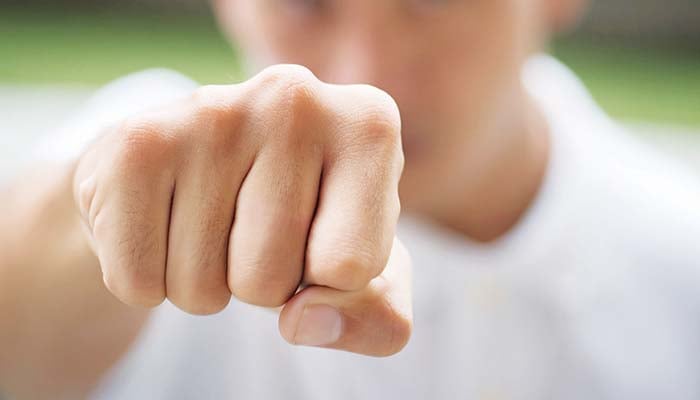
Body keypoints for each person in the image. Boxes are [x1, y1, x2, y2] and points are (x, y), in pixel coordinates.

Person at [2, 0, 699, 398]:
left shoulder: (681, 268)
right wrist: (107, 220)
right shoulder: (147, 144)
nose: (370, 77)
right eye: (304, 4)